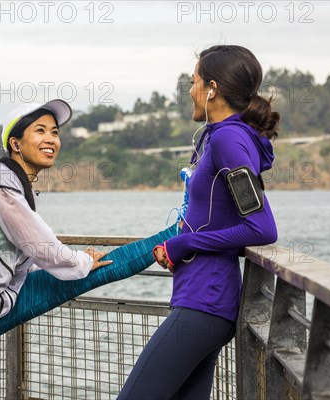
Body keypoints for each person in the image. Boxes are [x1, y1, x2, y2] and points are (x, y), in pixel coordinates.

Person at [0, 99, 180, 399]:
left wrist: (82, 264)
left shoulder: (14, 184)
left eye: (55, 132)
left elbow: (25, 254)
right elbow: (44, 247)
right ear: (16, 143)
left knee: (99, 270)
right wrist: (79, 262)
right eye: (40, 131)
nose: (51, 139)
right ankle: (179, 231)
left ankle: (179, 231)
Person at [117, 45, 279, 399]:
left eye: (193, 82)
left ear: (212, 89)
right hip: (202, 299)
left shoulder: (228, 140)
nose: (190, 90)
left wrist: (185, 244)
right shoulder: (220, 137)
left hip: (205, 302)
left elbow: (262, 227)